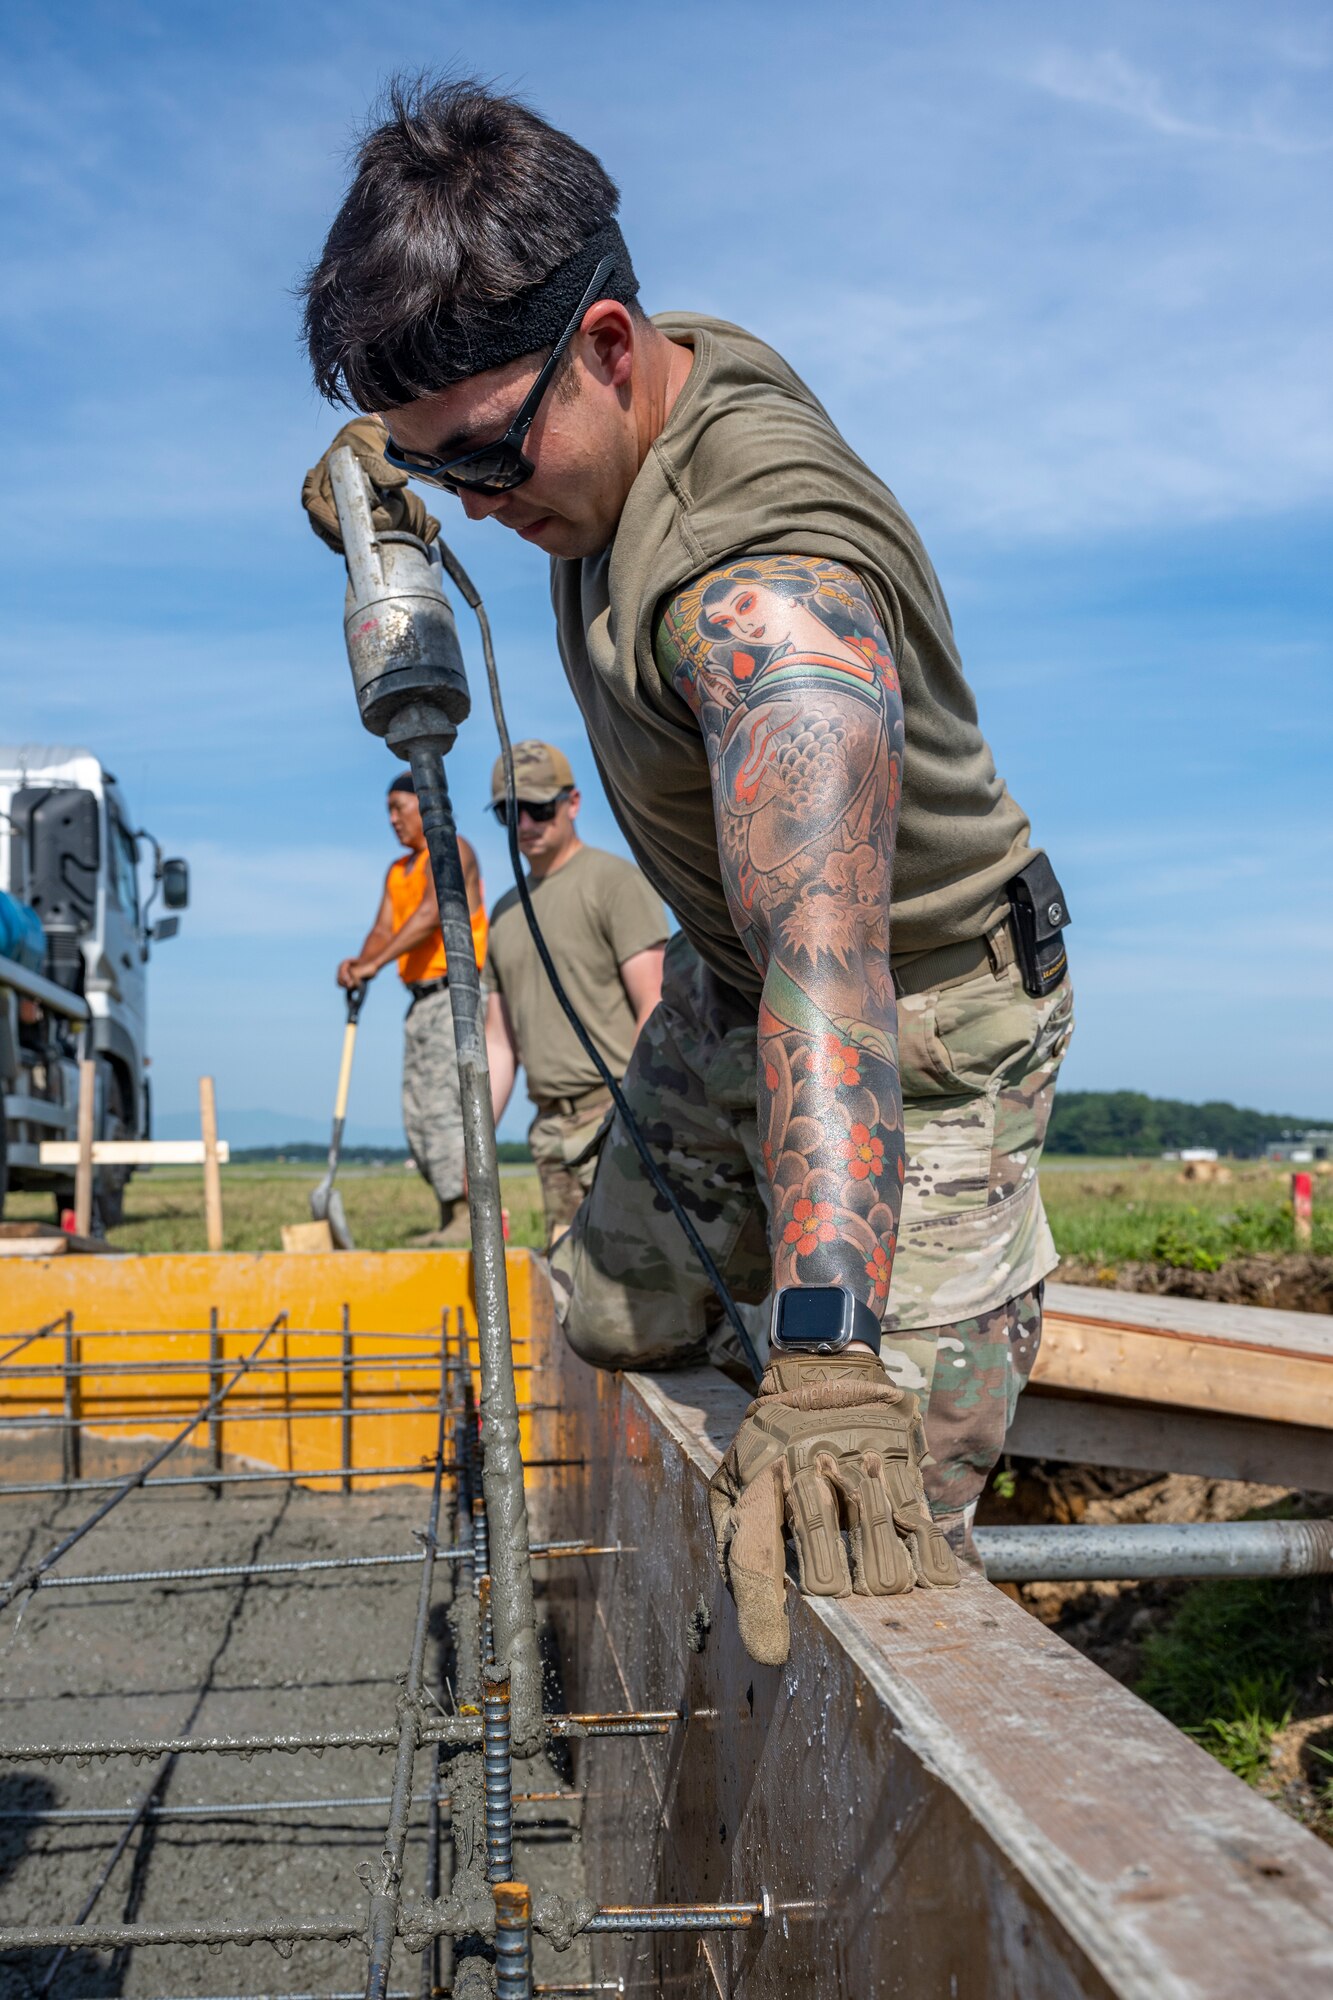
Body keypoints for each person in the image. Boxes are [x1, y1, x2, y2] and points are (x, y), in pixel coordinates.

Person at [301, 79, 1075, 1666]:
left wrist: (830, 1348)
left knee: (859, 1551)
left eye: (492, 462)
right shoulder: (622, 378)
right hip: (736, 985)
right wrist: (394, 492)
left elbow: (831, 979)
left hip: (911, 1025)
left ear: (604, 346)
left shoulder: (767, 612)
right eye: (435, 474)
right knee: (613, 1315)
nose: (482, 509)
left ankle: (958, 1300)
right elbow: (490, 431)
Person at [482, 740, 667, 1244]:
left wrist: (637, 1114)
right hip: (550, 1133)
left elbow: (655, 1008)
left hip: (616, 1117)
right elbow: (498, 1043)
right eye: (508, 812)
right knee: (567, 1285)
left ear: (574, 802)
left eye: (538, 808)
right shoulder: (502, 915)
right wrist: (477, 1138)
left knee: (634, 1282)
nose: (524, 824)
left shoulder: (615, 884)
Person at [337, 770, 486, 1239]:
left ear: (424, 807)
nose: (393, 820)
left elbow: (430, 914)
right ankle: (449, 1214)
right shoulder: (397, 871)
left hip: (452, 996)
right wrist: (359, 963)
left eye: (399, 809)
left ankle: (467, 1218)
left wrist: (375, 963)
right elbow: (384, 928)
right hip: (418, 1002)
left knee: (447, 1107)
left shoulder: (452, 851)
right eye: (388, 812)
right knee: (417, 1114)